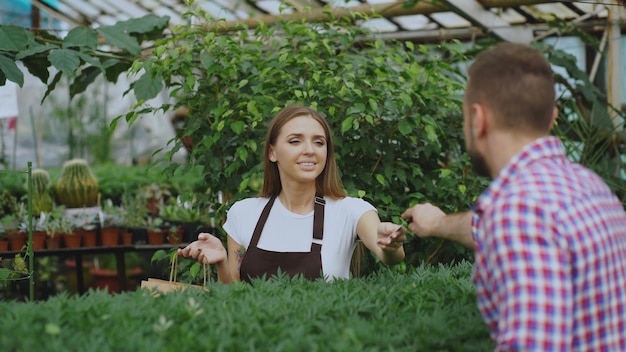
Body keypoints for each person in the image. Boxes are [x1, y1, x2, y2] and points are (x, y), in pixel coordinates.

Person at [402, 43, 626, 351]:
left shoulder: (518, 210)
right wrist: (438, 222)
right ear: (551, 118)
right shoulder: (591, 187)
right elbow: (497, 227)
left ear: (478, 119)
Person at [179, 104, 406, 284]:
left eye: (319, 142)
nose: (309, 150)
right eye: (295, 141)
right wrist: (220, 263)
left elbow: (388, 255)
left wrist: (391, 245)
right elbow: (234, 295)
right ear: (272, 152)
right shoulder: (244, 213)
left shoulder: (351, 210)